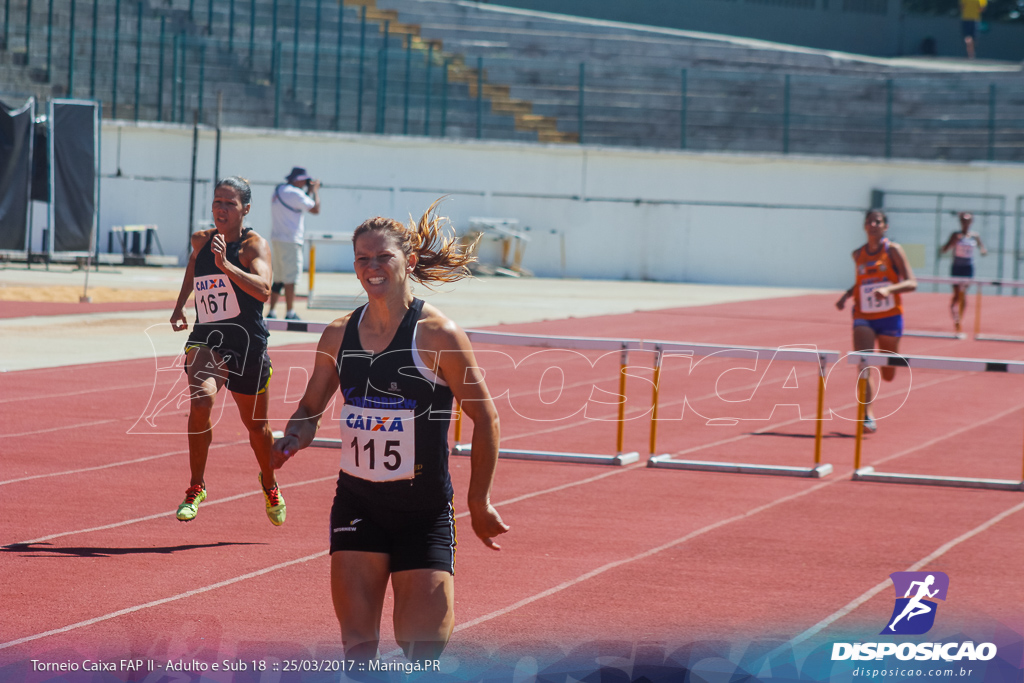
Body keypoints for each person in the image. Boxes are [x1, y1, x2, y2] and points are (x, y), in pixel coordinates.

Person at [271, 201, 509, 663]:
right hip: (359, 506)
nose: (372, 268)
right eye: (363, 259)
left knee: (422, 655)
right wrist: (292, 438)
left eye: (384, 257)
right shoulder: (339, 334)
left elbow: (487, 418)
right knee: (358, 653)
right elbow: (308, 408)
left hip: (424, 513)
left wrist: (478, 501)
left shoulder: (438, 334)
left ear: (409, 262)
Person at [170, 176, 286, 526]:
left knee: (257, 429)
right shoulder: (202, 240)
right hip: (207, 338)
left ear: (245, 209)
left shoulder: (253, 246)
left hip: (247, 343)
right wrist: (180, 306)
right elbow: (194, 265)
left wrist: (227, 267)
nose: (221, 208)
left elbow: (265, 290)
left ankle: (269, 482)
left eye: (230, 203)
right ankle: (196, 486)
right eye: (217, 201)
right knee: (201, 400)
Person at [835, 209, 917, 433]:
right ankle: (867, 414)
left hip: (890, 316)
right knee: (863, 364)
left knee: (888, 374)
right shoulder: (857, 254)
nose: (873, 224)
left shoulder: (893, 250)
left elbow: (912, 282)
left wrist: (889, 289)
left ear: (885, 226)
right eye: (869, 221)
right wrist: (846, 295)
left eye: (878, 221)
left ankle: (890, 364)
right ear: (864, 226)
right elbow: (862, 282)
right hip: (863, 316)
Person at [267, 166, 321, 320]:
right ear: (299, 180)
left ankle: (272, 311)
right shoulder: (295, 193)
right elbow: (315, 209)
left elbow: (298, 203)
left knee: (278, 277)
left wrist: (307, 191)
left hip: (277, 239)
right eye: (305, 180)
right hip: (290, 240)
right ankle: (290, 312)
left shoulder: (280, 190)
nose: (306, 183)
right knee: (291, 278)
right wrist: (315, 190)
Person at [941, 211, 987, 334]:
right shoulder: (955, 235)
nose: (965, 223)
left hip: (968, 268)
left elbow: (983, 249)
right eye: (963, 221)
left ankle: (959, 319)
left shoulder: (975, 236)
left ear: (971, 222)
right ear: (960, 222)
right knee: (957, 295)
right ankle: (955, 315)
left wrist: (983, 251)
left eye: (968, 221)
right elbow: (944, 250)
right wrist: (953, 243)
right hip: (956, 268)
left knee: (963, 293)